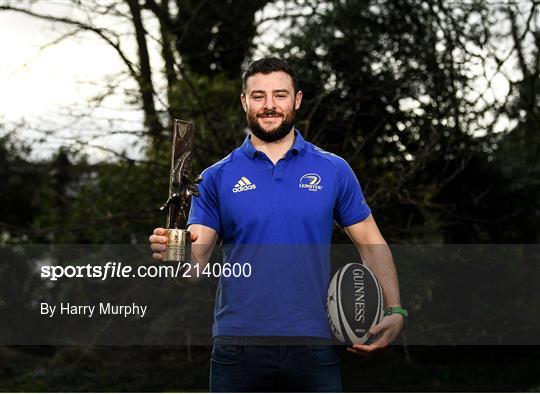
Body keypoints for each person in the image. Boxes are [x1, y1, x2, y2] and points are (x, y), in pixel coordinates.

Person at [149, 57, 405, 392]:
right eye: (258, 96)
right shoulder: (214, 178)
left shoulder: (333, 169)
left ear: (297, 99)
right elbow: (195, 264)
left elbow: (371, 240)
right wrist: (176, 251)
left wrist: (395, 308)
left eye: (280, 95)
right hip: (238, 347)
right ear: (244, 102)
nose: (269, 106)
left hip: (314, 343)